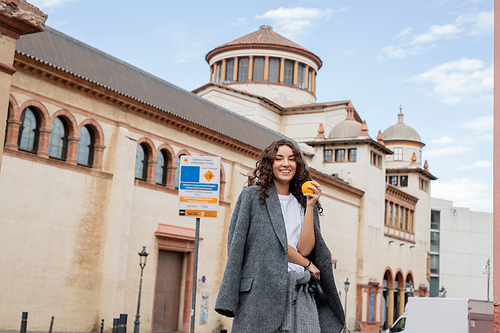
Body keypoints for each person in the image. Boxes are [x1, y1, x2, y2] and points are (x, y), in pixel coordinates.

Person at [215, 139, 345, 333]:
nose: (286, 163)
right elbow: (238, 246)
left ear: (298, 165)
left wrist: (310, 206)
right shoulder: (252, 197)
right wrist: (307, 264)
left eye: (292, 159)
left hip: (299, 294)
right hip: (260, 294)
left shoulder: (302, 202)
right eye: (279, 158)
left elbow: (306, 248)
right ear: (270, 164)